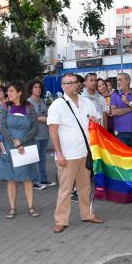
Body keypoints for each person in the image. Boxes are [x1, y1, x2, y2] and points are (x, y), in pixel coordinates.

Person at [48, 73, 104, 233]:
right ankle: (61, 220)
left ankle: (87, 214)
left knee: (85, 186)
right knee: (65, 188)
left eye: (75, 82)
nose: (73, 85)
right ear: (63, 86)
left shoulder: (87, 102)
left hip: (85, 152)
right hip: (68, 154)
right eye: (69, 83)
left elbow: (97, 121)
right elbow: (53, 130)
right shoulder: (57, 105)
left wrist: (96, 121)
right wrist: (58, 154)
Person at [0, 82, 40, 219]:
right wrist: (15, 142)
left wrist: (23, 141)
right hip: (10, 147)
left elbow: (35, 127)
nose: (8, 93)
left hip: (26, 147)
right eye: (7, 91)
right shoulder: (3, 107)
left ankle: (31, 206)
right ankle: (12, 208)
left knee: (27, 178)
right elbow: (3, 128)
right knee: (11, 179)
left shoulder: (29, 107)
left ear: (20, 92)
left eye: (11, 91)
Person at [27, 78, 56, 189]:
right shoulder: (29, 102)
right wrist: (41, 118)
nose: (38, 89)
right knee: (34, 158)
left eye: (39, 87)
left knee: (42, 158)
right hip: (35, 135)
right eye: (35, 87)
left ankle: (43, 179)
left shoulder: (42, 101)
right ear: (31, 89)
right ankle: (34, 181)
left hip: (44, 134)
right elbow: (29, 117)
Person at [110, 73, 132, 149]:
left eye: (120, 80)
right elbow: (114, 112)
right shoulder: (114, 95)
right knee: (122, 159)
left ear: (127, 81)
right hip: (119, 133)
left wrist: (128, 102)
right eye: (117, 80)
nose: (118, 82)